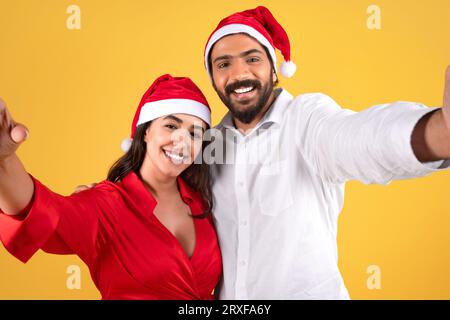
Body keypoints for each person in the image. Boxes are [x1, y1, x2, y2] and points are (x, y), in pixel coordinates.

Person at [202, 6, 450, 299]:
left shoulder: (305, 120)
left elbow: (359, 139)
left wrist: (441, 132)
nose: (239, 74)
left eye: (252, 59)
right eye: (223, 64)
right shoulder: (208, 147)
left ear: (273, 67)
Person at [0, 74, 222, 300]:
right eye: (171, 125)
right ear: (145, 131)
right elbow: (43, 212)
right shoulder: (106, 204)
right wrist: (5, 160)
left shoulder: (206, 201)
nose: (182, 140)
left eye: (194, 134)